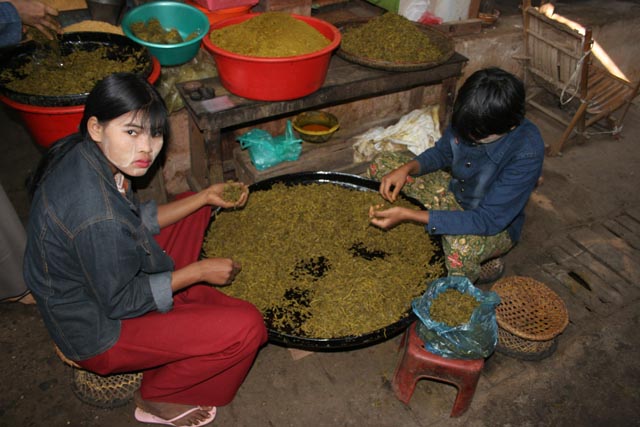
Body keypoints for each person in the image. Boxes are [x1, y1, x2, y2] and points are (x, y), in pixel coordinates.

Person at [23, 72, 268, 427]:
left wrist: (204, 196)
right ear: (96, 127)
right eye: (132, 132)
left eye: (155, 134)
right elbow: (121, 301)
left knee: (193, 206)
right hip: (97, 328)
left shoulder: (90, 155)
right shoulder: (97, 216)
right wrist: (197, 272)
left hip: (101, 276)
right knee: (248, 328)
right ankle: (158, 396)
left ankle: (181, 308)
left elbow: (132, 220)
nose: (147, 149)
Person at [368, 67, 544, 284]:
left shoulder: (527, 151)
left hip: (489, 223)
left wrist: (409, 215)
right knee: (382, 165)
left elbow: (486, 220)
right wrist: (407, 169)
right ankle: (400, 223)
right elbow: (442, 153)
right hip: (454, 192)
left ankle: (480, 263)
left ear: (510, 126)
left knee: (459, 251)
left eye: (477, 136)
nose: (467, 136)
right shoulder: (471, 115)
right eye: (464, 130)